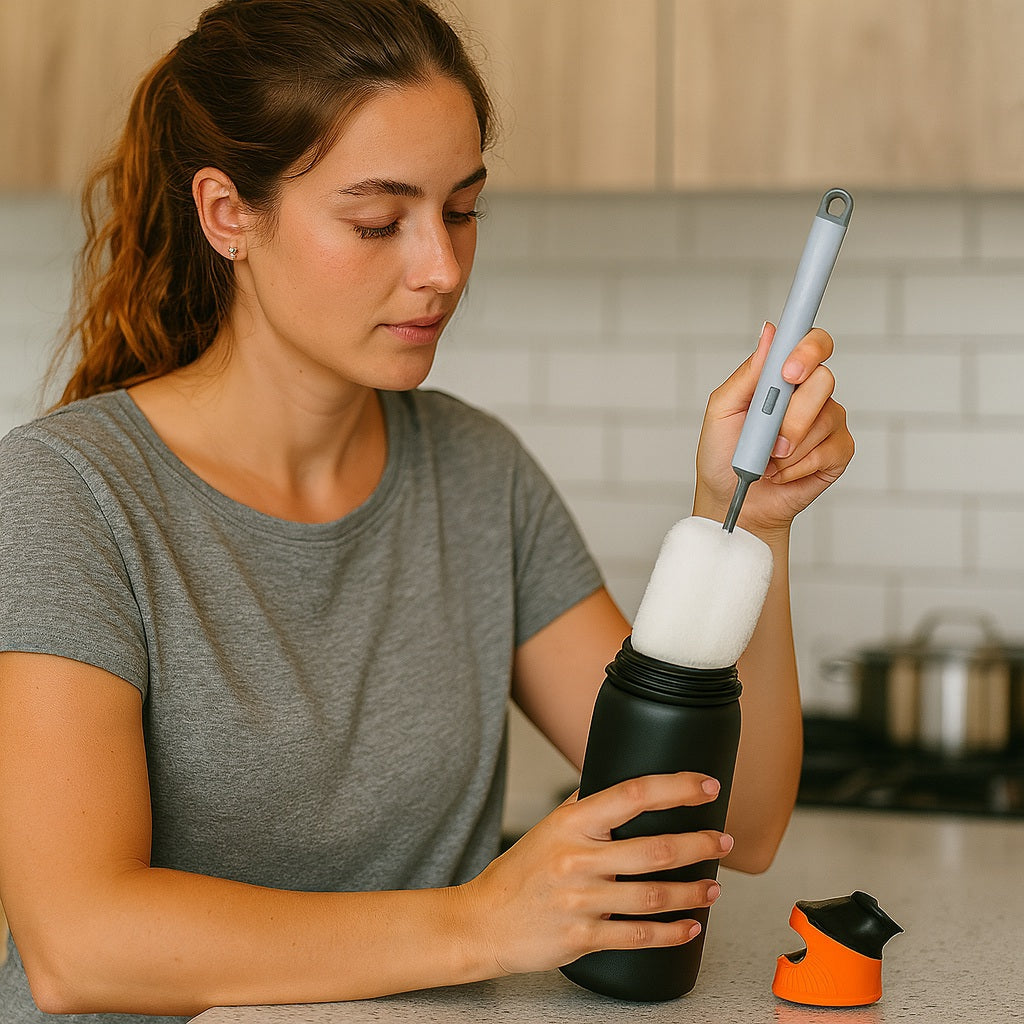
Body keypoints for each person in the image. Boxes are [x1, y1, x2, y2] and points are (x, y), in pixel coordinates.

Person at [0, 1, 855, 1019]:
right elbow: (79, 946)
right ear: (228, 213)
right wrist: (484, 919)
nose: (440, 269)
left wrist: (744, 522)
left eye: (460, 209)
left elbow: (737, 823)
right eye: (377, 220)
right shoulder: (68, 492)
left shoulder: (474, 473)